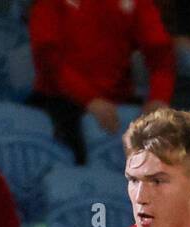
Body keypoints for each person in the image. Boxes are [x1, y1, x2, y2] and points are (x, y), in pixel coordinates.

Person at [27, 0, 175, 163]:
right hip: (59, 99)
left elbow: (160, 54)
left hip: (118, 99)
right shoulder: (49, 4)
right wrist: (89, 99)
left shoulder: (137, 3)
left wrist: (159, 99)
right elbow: (48, 59)